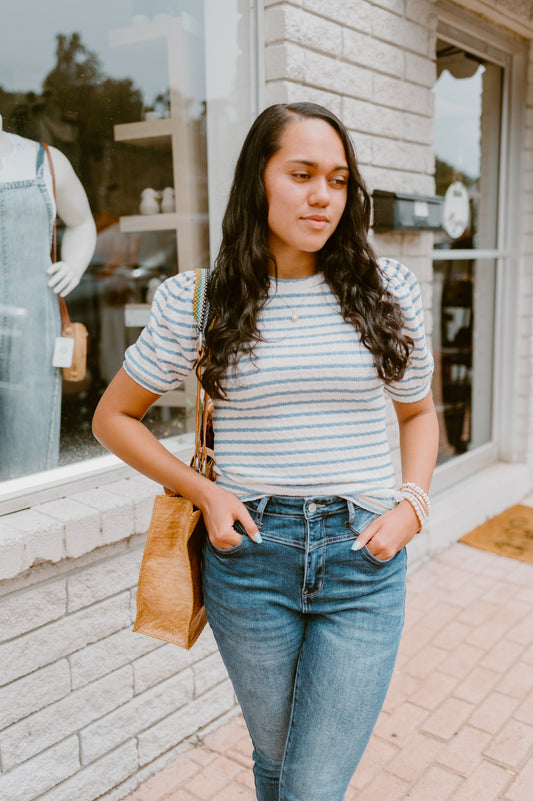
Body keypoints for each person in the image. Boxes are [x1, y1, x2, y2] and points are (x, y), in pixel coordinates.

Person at [92, 102, 439, 801]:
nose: (322, 196)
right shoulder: (199, 301)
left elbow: (419, 412)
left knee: (311, 784)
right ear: (258, 180)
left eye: (338, 180)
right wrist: (206, 492)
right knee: (277, 761)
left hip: (362, 561)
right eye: (301, 173)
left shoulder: (386, 292)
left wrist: (412, 507)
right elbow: (113, 417)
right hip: (249, 560)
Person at [0, 115, 96, 479]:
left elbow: (82, 221)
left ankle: (28, 517)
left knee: (30, 423)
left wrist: (72, 266)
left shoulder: (45, 161)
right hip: (32, 315)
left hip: (34, 317)